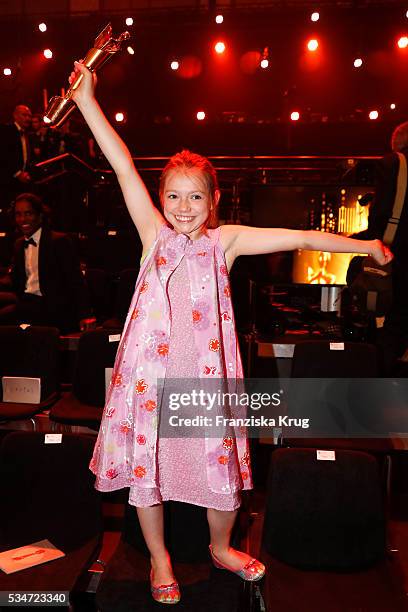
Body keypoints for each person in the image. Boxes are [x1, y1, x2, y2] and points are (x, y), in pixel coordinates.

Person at [69, 60, 392, 605]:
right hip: (149, 383)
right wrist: (86, 101)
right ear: (161, 199)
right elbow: (123, 166)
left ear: (213, 201)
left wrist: (363, 247)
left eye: (195, 197)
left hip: (206, 383)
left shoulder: (228, 242)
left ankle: (220, 547)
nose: (183, 208)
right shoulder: (152, 236)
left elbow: (297, 237)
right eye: (173, 196)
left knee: (220, 473)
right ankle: (159, 557)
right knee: (147, 473)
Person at [352, 121, 408, 374]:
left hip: (398, 256)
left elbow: (383, 213)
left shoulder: (395, 163)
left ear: (397, 142)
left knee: (388, 327)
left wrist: (360, 238)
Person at [0, 192, 95, 333]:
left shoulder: (59, 241)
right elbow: (15, 280)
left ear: (40, 216)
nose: (22, 219)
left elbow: (76, 281)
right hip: (26, 303)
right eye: (18, 214)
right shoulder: (19, 244)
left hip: (52, 306)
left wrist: (85, 315)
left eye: (28, 214)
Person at [0, 105, 33, 207]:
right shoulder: (5, 131)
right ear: (15, 116)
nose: (28, 118)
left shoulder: (27, 134)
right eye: (24, 115)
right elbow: (3, 155)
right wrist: (18, 173)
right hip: (6, 181)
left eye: (29, 116)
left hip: (22, 182)